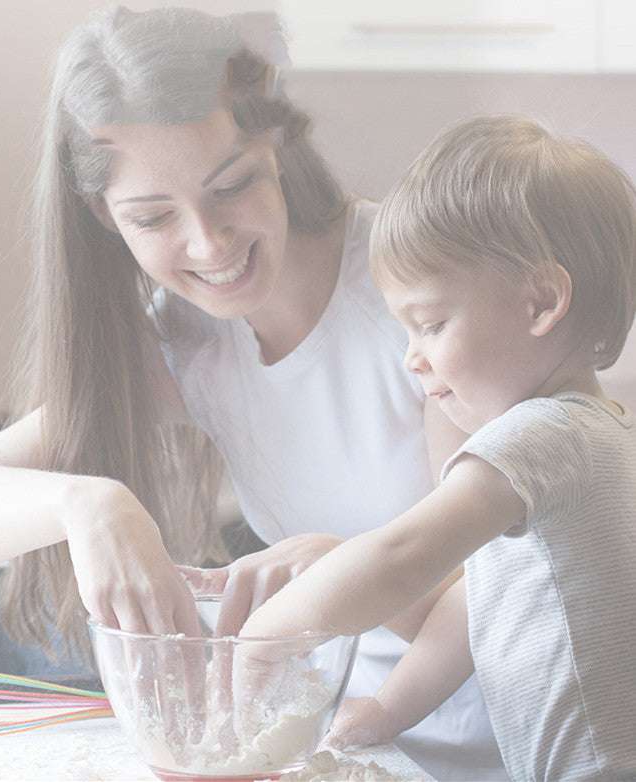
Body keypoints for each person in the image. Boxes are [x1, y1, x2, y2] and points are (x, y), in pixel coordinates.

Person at [0, 7, 504, 779]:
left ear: (275, 149)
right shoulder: (188, 341)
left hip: (502, 745)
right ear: (103, 219)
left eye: (232, 185)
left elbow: (499, 596)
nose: (208, 244)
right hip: (356, 747)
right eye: (153, 217)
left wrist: (335, 570)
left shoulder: (413, 295)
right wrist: (87, 504)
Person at [239, 115, 636, 780]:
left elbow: (402, 555)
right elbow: (467, 606)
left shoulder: (541, 436)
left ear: (540, 300)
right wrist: (386, 711)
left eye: (429, 324)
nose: (411, 360)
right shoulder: (600, 434)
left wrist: (263, 637)